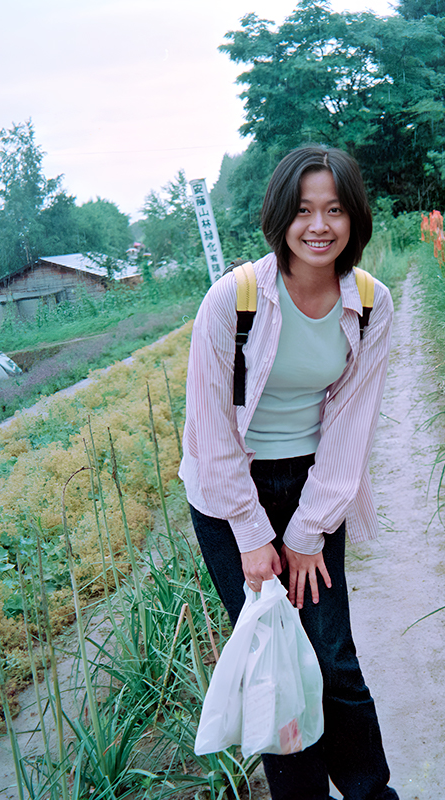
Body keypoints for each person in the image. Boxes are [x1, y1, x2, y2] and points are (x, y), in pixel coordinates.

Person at [180, 144, 399, 800]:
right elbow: (209, 431)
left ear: (354, 218)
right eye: (304, 210)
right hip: (228, 497)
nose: (319, 225)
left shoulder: (368, 302)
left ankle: (369, 793)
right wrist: (251, 533)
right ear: (281, 217)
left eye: (335, 209)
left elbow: (350, 425)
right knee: (274, 663)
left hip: (312, 487)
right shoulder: (234, 300)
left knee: (332, 656)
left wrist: (306, 531)